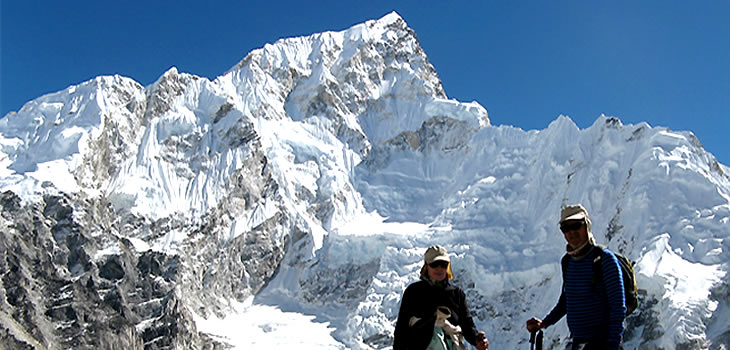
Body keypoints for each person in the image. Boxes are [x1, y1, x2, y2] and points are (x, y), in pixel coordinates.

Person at [526, 204, 626, 349]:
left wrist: (613, 344)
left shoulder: (604, 259)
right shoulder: (567, 262)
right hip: (579, 343)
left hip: (603, 343)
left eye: (576, 226)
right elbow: (567, 300)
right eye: (565, 228)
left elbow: (618, 307)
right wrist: (544, 323)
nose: (571, 232)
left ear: (587, 226)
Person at [394, 245, 489, 350]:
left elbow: (467, 324)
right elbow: (401, 329)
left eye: (443, 265)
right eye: (435, 264)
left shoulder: (457, 294)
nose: (439, 268)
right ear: (427, 266)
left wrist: (477, 340)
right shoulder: (414, 292)